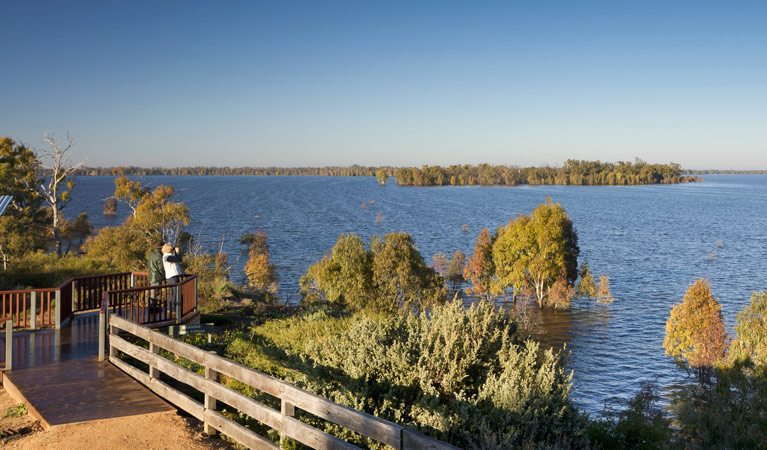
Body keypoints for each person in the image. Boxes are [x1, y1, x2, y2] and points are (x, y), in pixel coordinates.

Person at [147, 241, 165, 307]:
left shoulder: (151, 254)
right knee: (155, 294)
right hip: (157, 276)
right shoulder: (159, 255)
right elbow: (160, 267)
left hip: (152, 275)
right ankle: (152, 308)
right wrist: (163, 274)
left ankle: (152, 307)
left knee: (153, 292)